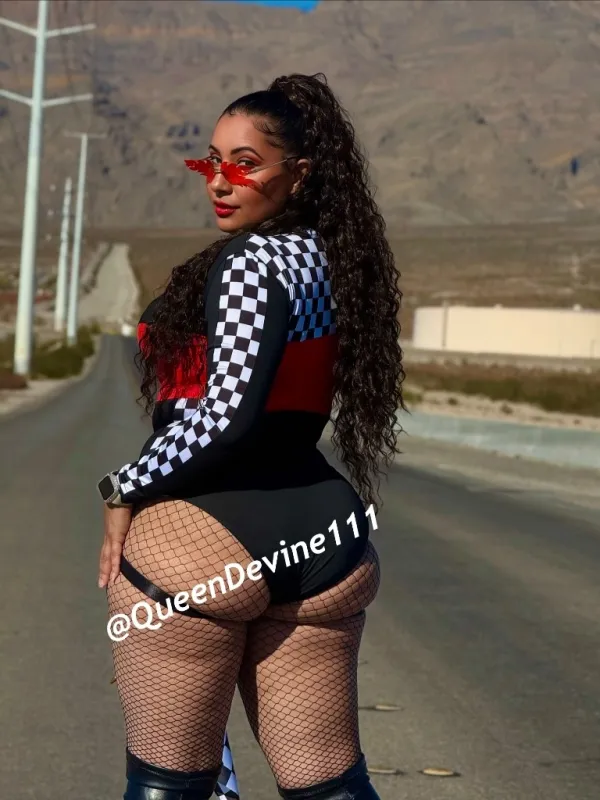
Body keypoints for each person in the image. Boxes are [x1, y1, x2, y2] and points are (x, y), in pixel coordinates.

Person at [97, 72, 406, 800]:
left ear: (299, 173)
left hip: (206, 542)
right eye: (213, 161)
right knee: (330, 786)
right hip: (325, 542)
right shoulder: (330, 259)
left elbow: (226, 417)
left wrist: (122, 487)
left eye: (246, 164)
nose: (220, 181)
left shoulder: (246, 264)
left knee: (170, 784)